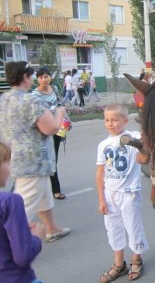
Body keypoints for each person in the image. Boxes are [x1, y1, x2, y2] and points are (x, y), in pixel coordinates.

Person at [0, 61, 71, 243]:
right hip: (33, 162)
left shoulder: (4, 99)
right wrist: (61, 113)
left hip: (14, 157)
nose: (33, 79)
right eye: (31, 76)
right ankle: (8, 243)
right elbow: (50, 128)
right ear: (25, 77)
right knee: (24, 207)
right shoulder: (31, 100)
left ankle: (52, 229)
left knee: (44, 196)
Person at [96, 104, 149, 282]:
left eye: (115, 120)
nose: (110, 124)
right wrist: (101, 199)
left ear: (125, 120)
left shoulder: (134, 136)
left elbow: (144, 156)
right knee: (113, 229)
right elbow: (100, 173)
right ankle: (119, 264)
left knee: (133, 227)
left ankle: (136, 259)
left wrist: (139, 144)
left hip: (129, 193)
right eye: (107, 120)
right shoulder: (103, 145)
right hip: (110, 194)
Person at [0, 142, 46, 283]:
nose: (10, 168)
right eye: (7, 162)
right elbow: (22, 256)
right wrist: (36, 238)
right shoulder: (9, 202)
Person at [32, 66, 67, 200]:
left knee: (54, 159)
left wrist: (64, 121)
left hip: (58, 127)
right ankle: (53, 189)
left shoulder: (54, 89)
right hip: (44, 131)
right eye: (41, 77)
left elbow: (59, 105)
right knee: (46, 160)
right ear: (37, 79)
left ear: (50, 77)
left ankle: (53, 189)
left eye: (46, 76)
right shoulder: (34, 95)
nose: (44, 79)